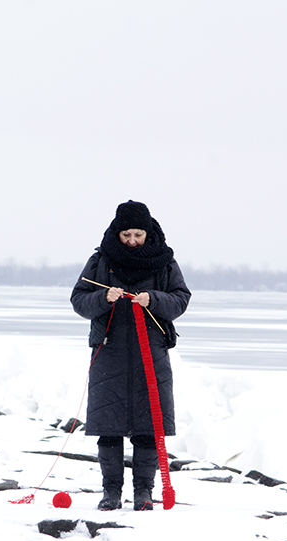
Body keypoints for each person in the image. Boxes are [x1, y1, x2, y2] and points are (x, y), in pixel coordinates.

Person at [70, 200, 191, 510]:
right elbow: (79, 300)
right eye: (127, 235)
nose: (133, 241)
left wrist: (154, 299)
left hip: (152, 357)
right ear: (117, 233)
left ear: (148, 233)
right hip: (108, 354)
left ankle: (143, 493)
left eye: (138, 234)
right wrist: (103, 297)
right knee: (108, 430)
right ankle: (110, 493)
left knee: (148, 429)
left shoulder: (165, 262)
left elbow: (181, 300)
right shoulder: (100, 260)